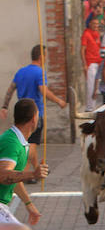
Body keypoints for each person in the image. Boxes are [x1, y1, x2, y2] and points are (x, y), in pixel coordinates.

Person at [0, 46, 68, 180]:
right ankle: (24, 173)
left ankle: (36, 171)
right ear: (41, 56)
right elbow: (43, 90)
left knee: (29, 143)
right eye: (46, 56)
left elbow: (10, 89)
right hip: (35, 113)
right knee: (31, 144)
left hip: (21, 111)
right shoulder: (39, 72)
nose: (46, 59)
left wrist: (5, 106)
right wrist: (59, 101)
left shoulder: (21, 72)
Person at [0, 100, 46, 225]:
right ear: (33, 119)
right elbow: (4, 176)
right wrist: (33, 174)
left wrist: (28, 204)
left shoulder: (19, 141)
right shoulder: (12, 143)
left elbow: (13, 178)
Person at [81, 17, 104, 111]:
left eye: (97, 24)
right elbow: (82, 50)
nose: (96, 26)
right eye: (94, 24)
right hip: (90, 63)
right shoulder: (86, 34)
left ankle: (93, 106)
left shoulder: (97, 34)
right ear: (90, 24)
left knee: (96, 86)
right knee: (90, 86)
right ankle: (89, 107)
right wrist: (84, 64)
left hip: (97, 62)